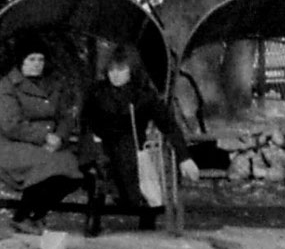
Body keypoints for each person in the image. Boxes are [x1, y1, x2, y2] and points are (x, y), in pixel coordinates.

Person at [78, 52, 200, 229]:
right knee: (96, 166)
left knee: (130, 165)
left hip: (131, 144)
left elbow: (168, 125)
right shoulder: (97, 91)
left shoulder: (143, 94)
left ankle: (144, 211)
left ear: (131, 71)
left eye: (120, 70)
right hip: (101, 143)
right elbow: (85, 120)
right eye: (111, 70)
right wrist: (92, 137)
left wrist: (184, 157)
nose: (115, 75)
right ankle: (94, 215)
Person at [0, 43, 87, 234]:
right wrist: (45, 137)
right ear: (21, 62)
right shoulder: (8, 85)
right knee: (48, 165)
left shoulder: (52, 84)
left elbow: (65, 117)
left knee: (74, 173)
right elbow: (10, 124)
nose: (37, 64)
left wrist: (59, 137)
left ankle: (35, 215)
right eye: (31, 59)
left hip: (51, 143)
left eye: (41, 59)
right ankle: (22, 217)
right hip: (16, 144)